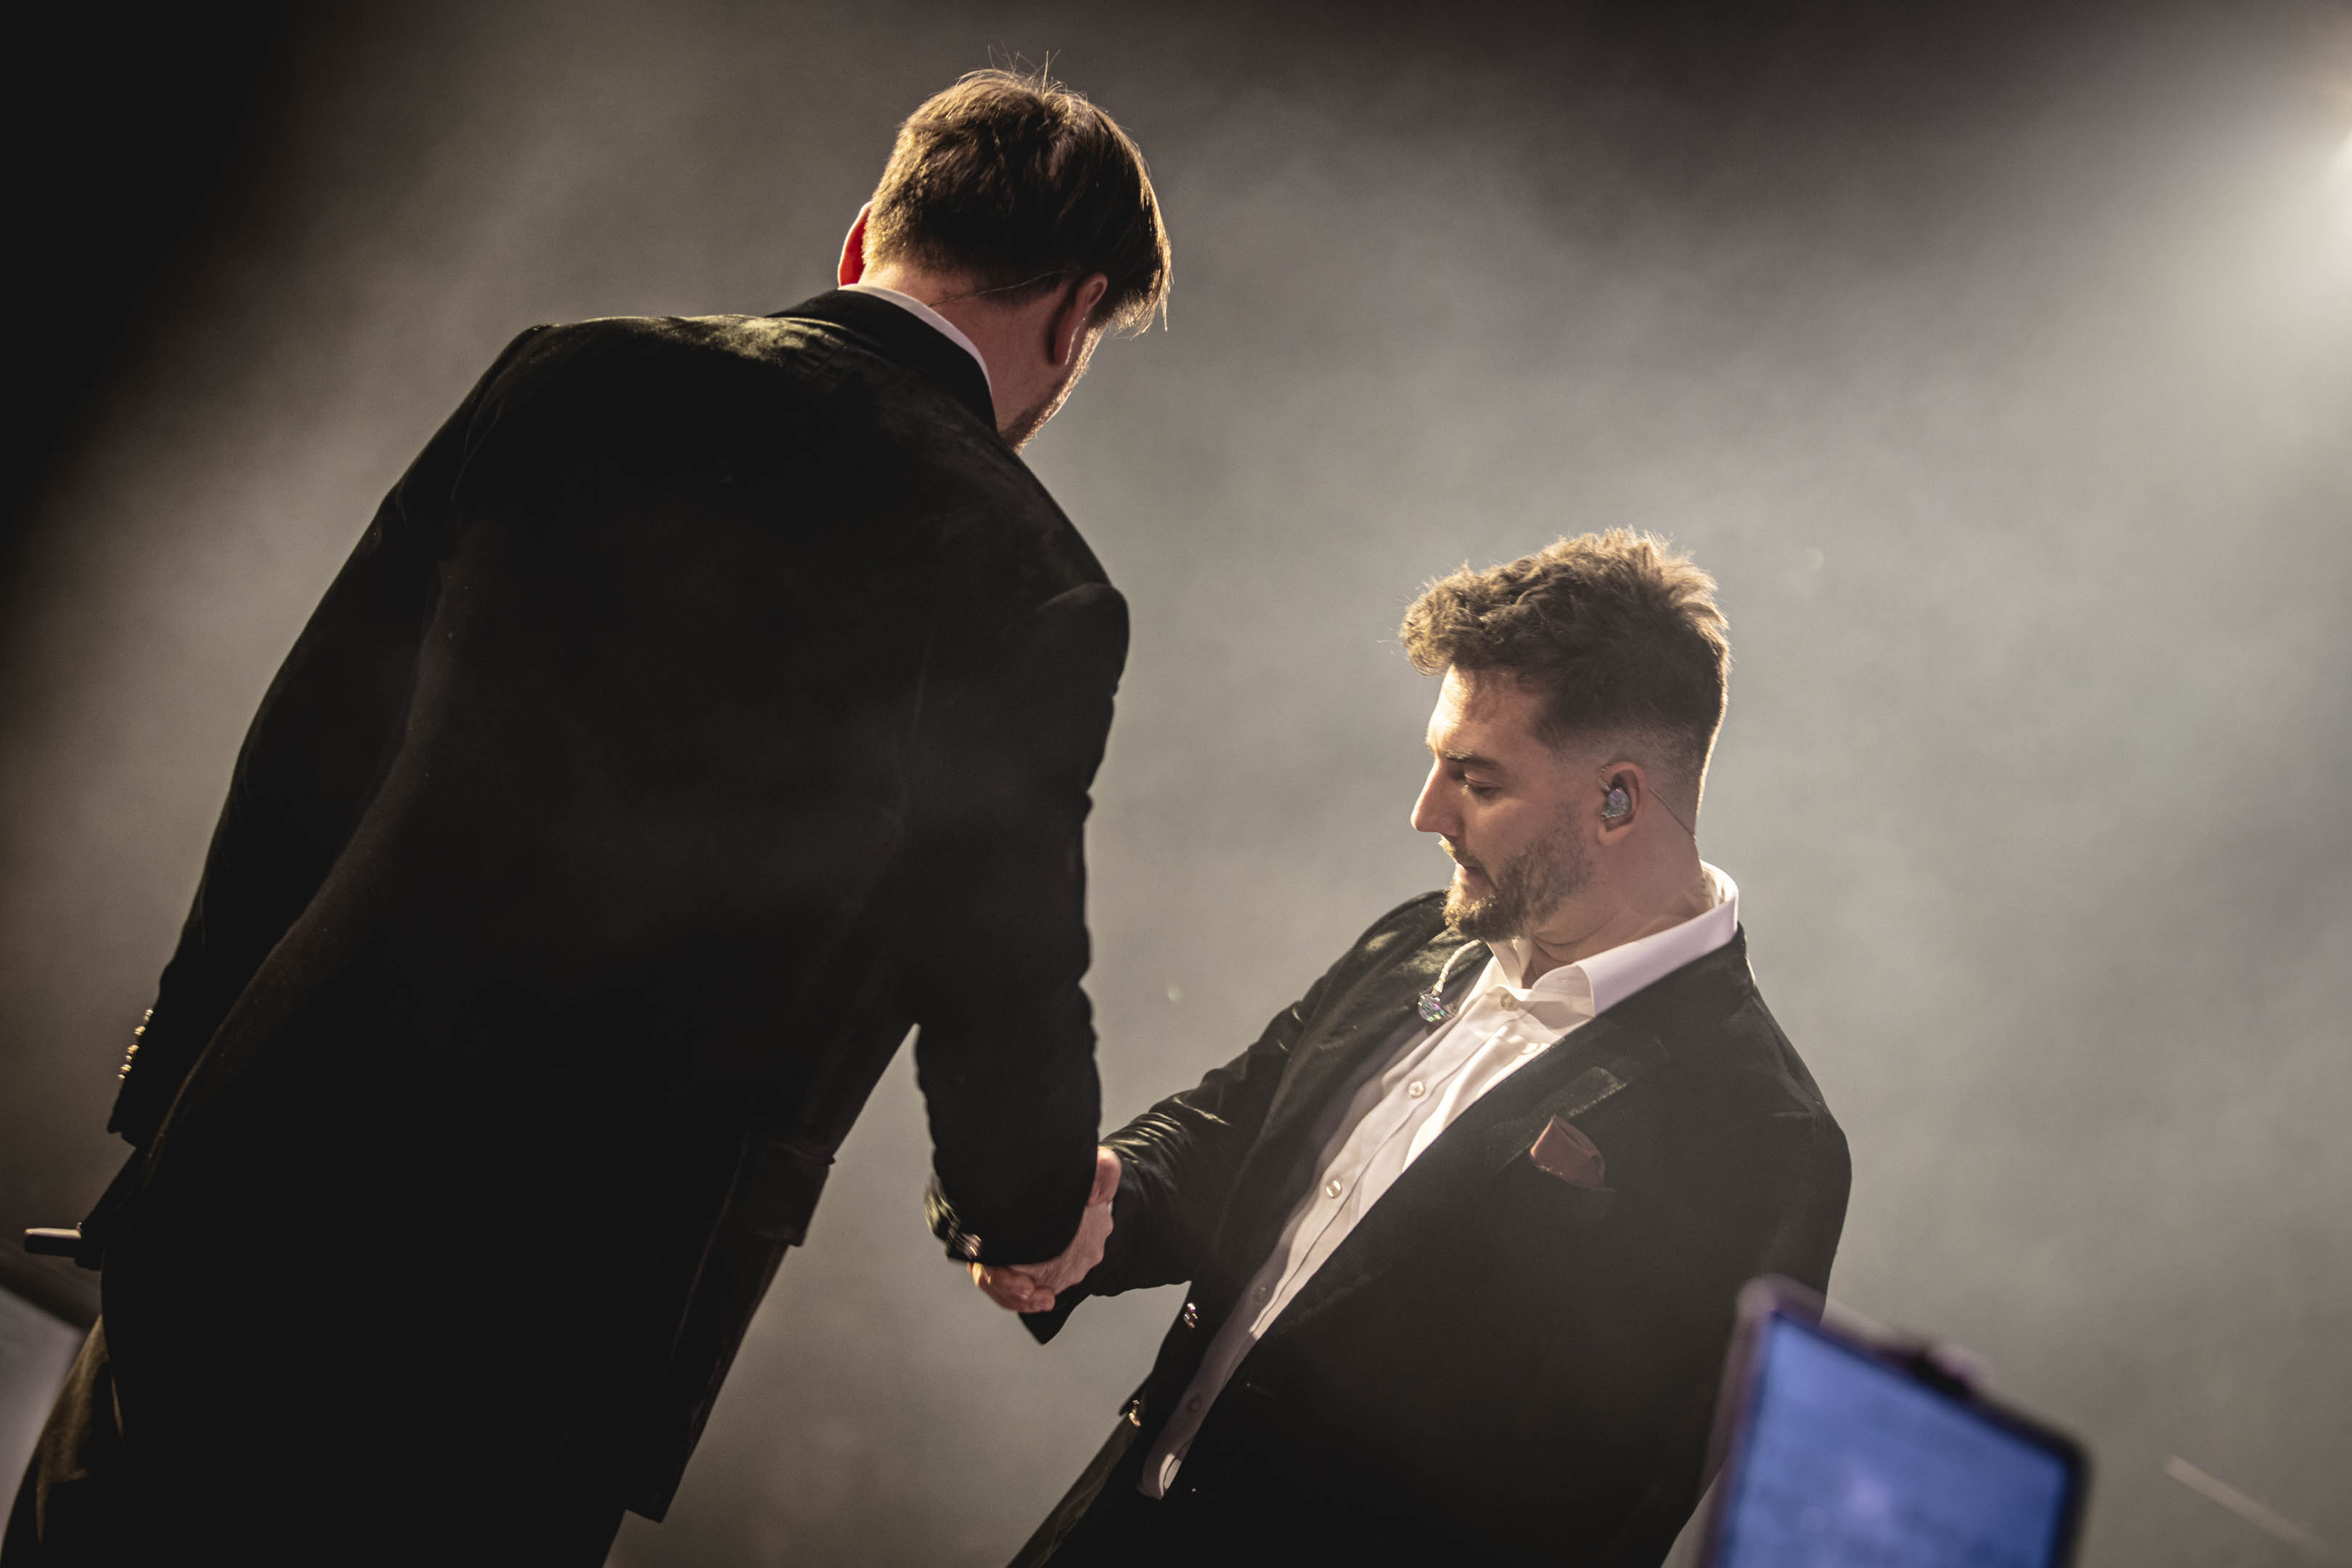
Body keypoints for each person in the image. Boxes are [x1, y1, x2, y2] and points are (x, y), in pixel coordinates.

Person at [6, 68, 1168, 1567]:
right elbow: (999, 967)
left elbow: (308, 755)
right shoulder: (1035, 587)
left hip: (255, 1194)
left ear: (864, 234)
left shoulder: (571, 376)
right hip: (547, 1334)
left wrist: (175, 1103)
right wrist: (1030, 1212)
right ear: (1076, 318)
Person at [959, 532, 1851, 1568]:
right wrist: (1101, 1201)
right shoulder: (1418, 939)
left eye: (1477, 780)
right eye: (1438, 762)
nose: (1426, 812)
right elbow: (1232, 1133)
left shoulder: (1765, 1138)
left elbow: (1610, 1517)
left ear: (1619, 799)